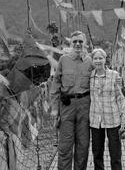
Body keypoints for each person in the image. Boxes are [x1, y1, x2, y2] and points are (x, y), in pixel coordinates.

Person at [50, 31, 94, 170]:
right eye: (74, 41)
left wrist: (115, 78)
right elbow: (56, 84)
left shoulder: (91, 61)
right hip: (66, 106)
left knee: (83, 145)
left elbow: (101, 75)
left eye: (80, 41)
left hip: (85, 105)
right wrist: (55, 109)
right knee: (65, 145)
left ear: (85, 43)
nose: (77, 44)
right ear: (71, 44)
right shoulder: (63, 60)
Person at [90, 48, 125, 170]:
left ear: (105, 59)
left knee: (115, 153)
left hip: (113, 118)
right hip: (96, 120)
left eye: (100, 58)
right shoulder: (90, 76)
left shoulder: (114, 75)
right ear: (92, 60)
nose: (98, 61)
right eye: (95, 58)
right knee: (97, 152)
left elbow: (120, 97)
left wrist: (123, 117)